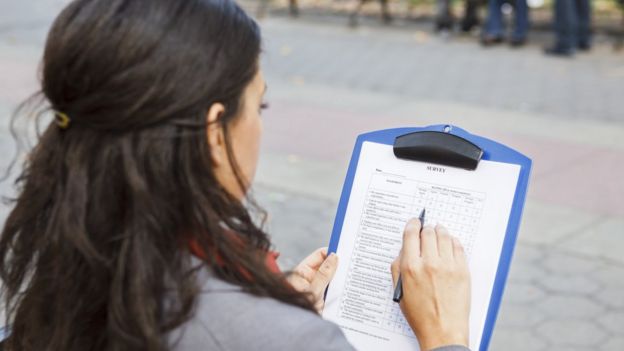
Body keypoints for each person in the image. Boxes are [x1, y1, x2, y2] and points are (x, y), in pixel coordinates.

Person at [0, 1, 471, 351]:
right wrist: (443, 333)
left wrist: (261, 304)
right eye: (259, 104)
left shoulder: (70, 252)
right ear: (213, 131)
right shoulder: (282, 340)